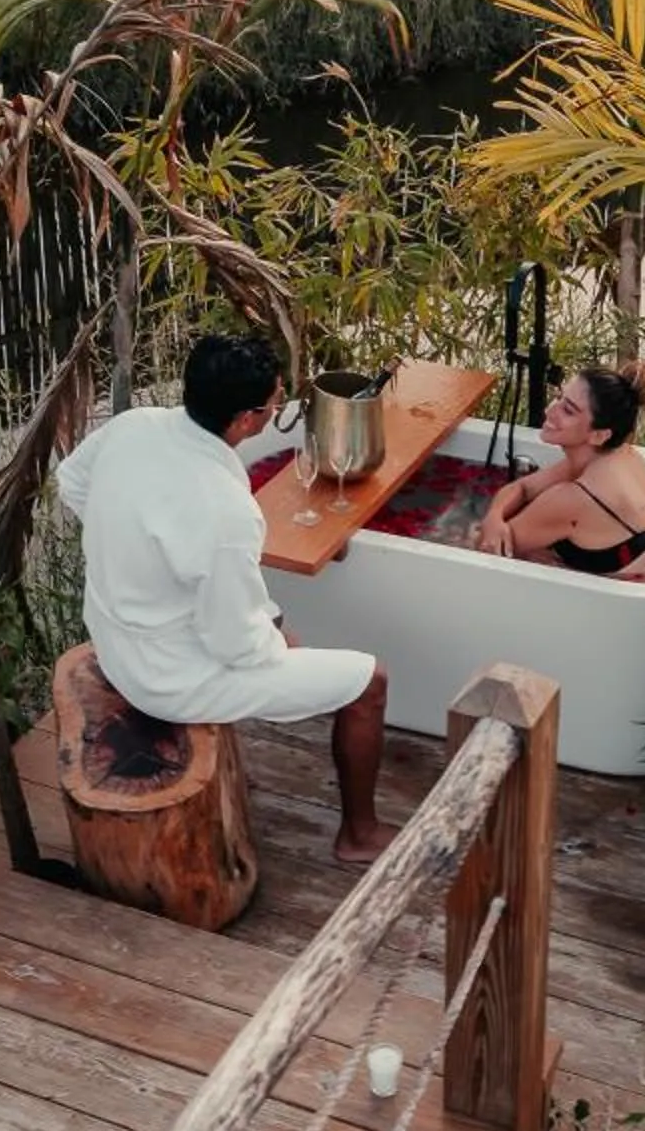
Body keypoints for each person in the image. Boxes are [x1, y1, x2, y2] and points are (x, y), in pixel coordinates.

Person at [53, 334, 400, 865]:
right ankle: (360, 835)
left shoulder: (133, 427)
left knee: (271, 622)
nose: (277, 408)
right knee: (369, 682)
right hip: (168, 680)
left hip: (112, 637)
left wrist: (131, 555)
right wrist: (277, 643)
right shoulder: (225, 510)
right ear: (244, 420)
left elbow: (72, 482)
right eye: (275, 402)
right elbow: (235, 642)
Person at [472, 360, 645, 580]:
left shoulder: (574, 498)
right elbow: (524, 488)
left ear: (599, 435)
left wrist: (489, 530)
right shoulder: (617, 454)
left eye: (568, 410)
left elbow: (486, 550)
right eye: (559, 397)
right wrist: (494, 516)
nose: (550, 410)